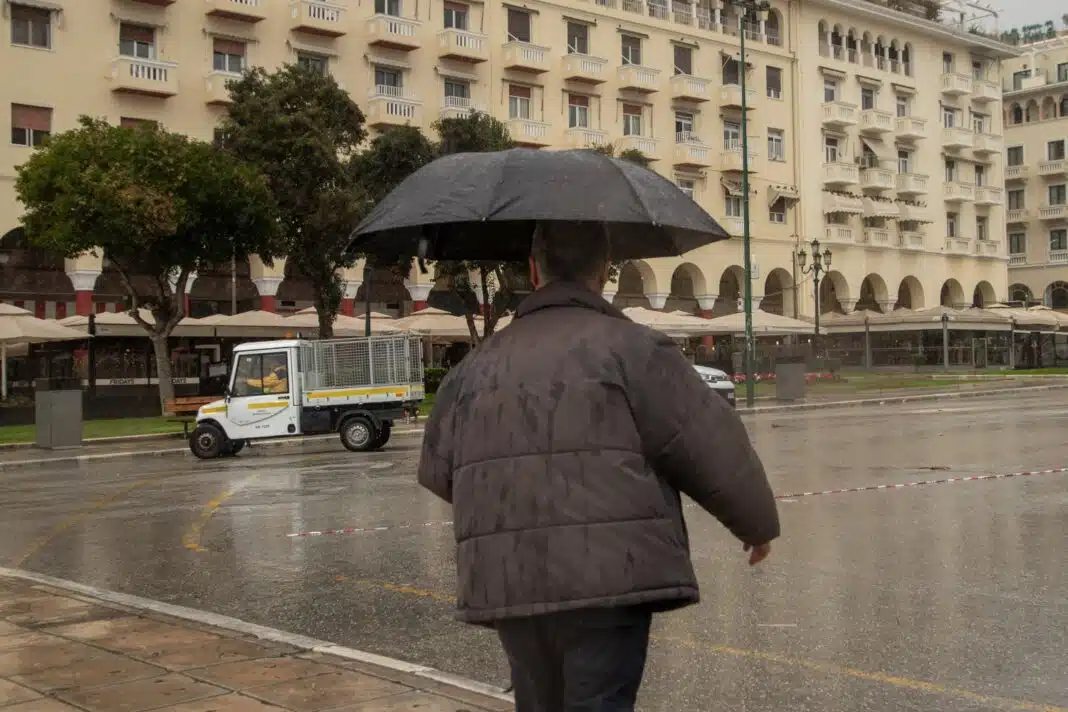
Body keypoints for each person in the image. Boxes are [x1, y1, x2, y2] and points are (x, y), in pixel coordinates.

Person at [418, 221, 780, 712]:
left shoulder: (475, 367)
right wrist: (755, 524)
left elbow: (439, 470)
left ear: (533, 270)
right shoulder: (635, 350)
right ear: (606, 270)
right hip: (610, 578)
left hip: (510, 577)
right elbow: (707, 440)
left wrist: (513, 500)